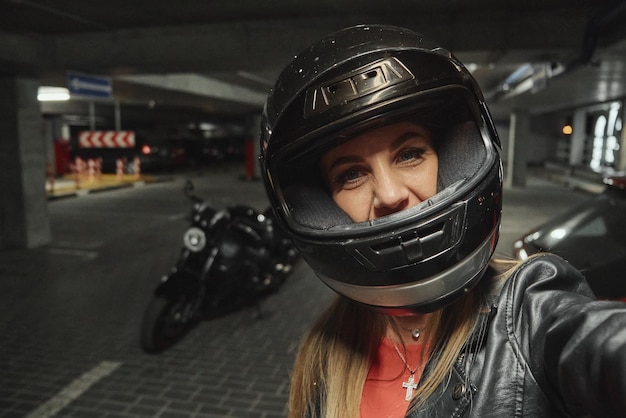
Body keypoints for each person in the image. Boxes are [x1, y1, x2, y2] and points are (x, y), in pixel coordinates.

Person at [258, 25, 626, 418]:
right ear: (322, 206)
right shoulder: (324, 352)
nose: (389, 194)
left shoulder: (528, 312)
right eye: (351, 175)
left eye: (409, 153)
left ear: (453, 160)